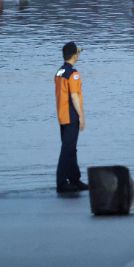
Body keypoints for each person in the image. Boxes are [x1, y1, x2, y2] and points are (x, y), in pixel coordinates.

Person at [55, 42, 88, 194]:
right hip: (71, 114)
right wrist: (81, 116)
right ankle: (61, 182)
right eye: (78, 53)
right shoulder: (73, 74)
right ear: (75, 55)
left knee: (71, 148)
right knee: (67, 149)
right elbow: (74, 95)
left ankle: (74, 178)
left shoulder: (60, 72)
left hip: (62, 114)